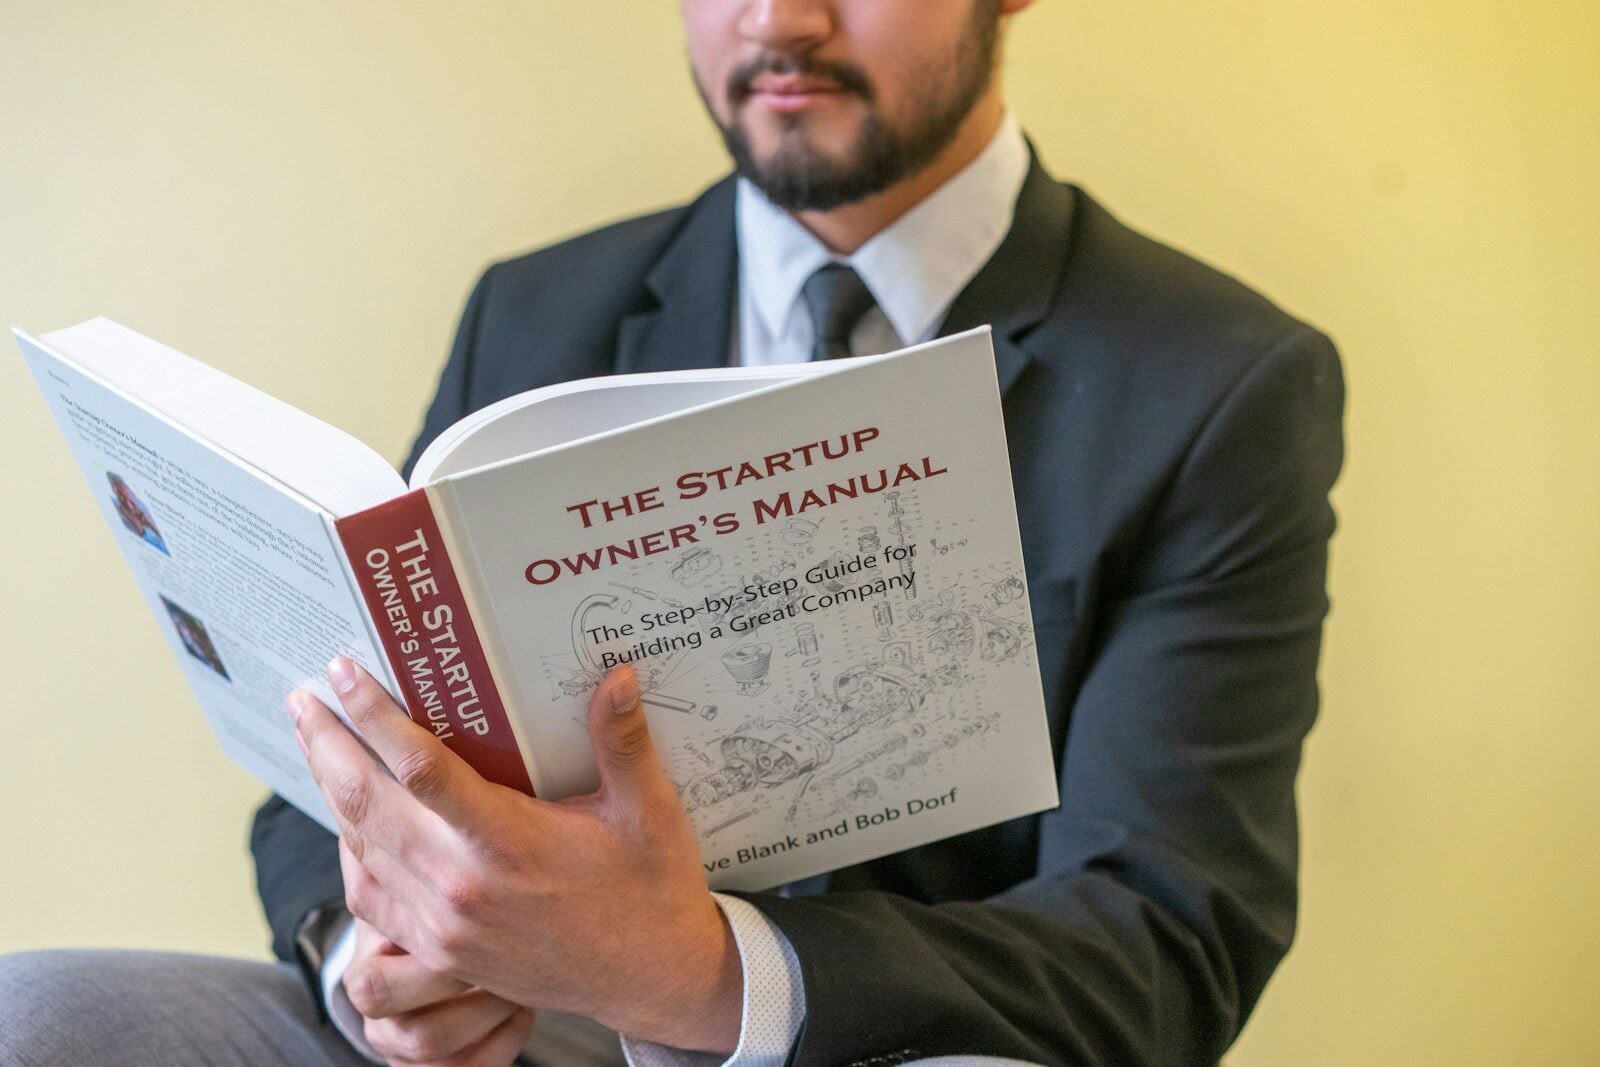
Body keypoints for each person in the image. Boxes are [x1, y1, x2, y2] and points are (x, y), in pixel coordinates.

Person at [0, 1, 1344, 1065]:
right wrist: (379, 965)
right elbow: (334, 764)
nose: (776, 21)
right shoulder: (534, 313)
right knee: (40, 1018)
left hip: (893, 1045)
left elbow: (1161, 939)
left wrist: (702, 978)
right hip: (521, 1043)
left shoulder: (1212, 385)